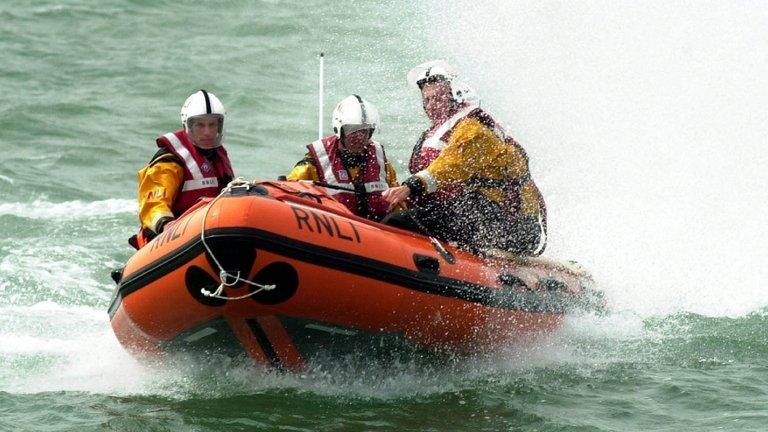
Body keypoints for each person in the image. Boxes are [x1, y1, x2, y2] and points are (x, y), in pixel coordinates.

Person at [382, 61, 547, 256]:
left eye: (438, 98)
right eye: (427, 100)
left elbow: (451, 166)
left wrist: (410, 187)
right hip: (479, 212)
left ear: (456, 96)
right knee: (403, 215)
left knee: (397, 222)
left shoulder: (474, 129)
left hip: (511, 225)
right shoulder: (440, 131)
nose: (431, 106)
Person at [129, 89, 234, 249]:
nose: (207, 132)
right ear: (188, 126)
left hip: (208, 233)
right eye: (200, 125)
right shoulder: (169, 162)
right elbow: (153, 205)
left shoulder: (217, 156)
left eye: (212, 124)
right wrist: (166, 225)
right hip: (169, 242)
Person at [286, 95, 401, 221]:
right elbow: (288, 191)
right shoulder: (315, 163)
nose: (360, 137)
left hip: (377, 232)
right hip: (334, 230)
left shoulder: (381, 162)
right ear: (339, 130)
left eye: (365, 131)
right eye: (352, 130)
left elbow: (398, 200)